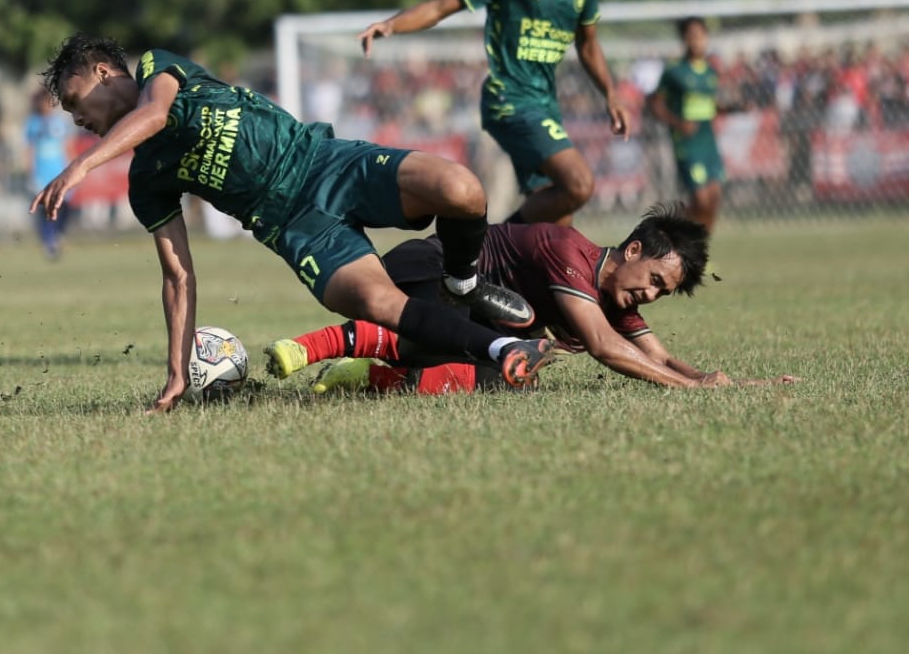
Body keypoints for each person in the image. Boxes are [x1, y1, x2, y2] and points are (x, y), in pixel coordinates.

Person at [30, 34, 558, 413]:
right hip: (293, 225)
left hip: (325, 161)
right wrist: (176, 371)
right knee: (376, 303)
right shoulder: (146, 178)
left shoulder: (158, 67)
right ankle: (506, 350)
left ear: (102, 73)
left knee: (461, 190)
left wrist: (79, 165)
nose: (79, 120)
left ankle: (463, 280)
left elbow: (157, 115)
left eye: (77, 103)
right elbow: (178, 276)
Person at [269, 204, 796, 395]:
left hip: (462, 312)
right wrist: (688, 391)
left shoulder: (616, 295)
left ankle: (370, 375)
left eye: (663, 292)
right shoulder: (569, 250)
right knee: (501, 328)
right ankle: (312, 346)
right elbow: (606, 348)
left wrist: (721, 381)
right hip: (424, 273)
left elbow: (654, 355)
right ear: (633, 249)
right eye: (656, 279)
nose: (652, 295)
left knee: (516, 373)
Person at [358, 0, 629, 225]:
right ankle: (494, 245)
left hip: (546, 101)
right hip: (510, 99)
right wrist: (392, 24)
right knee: (579, 185)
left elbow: (588, 44)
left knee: (556, 220)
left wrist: (610, 93)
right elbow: (442, 5)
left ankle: (507, 269)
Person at [648, 17, 729, 233]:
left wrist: (731, 108)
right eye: (691, 37)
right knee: (700, 200)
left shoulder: (711, 72)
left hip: (708, 141)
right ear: (684, 40)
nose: (696, 41)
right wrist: (678, 123)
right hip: (687, 142)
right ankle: (669, 230)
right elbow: (654, 104)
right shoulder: (675, 71)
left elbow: (711, 106)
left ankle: (698, 251)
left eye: (700, 36)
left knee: (713, 199)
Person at [23, 87, 74, 259]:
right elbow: (29, 149)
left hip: (59, 171)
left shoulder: (59, 122)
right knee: (44, 209)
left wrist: (73, 167)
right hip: (41, 174)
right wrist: (30, 171)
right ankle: (48, 240)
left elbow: (67, 146)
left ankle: (58, 234)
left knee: (65, 206)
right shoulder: (32, 123)